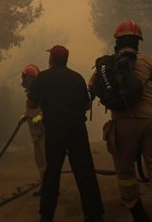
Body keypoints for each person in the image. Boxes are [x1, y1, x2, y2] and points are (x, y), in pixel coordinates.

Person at [90, 20, 152, 222]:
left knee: (125, 172)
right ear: (138, 42)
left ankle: (137, 213)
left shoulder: (106, 66)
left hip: (123, 124)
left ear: (117, 41)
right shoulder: (149, 62)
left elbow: (94, 90)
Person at [27, 45, 104, 222]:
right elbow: (86, 105)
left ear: (52, 59)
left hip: (55, 131)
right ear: (66, 60)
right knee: (85, 171)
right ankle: (95, 215)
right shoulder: (77, 77)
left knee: (52, 173)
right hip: (77, 129)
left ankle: (46, 217)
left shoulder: (43, 78)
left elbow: (31, 104)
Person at [20, 64, 46, 196]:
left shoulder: (41, 91)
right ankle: (44, 186)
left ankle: (50, 188)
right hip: (36, 134)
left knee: (46, 160)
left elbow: (48, 107)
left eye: (24, 77)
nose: (22, 80)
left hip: (44, 132)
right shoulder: (31, 93)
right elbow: (31, 109)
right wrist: (25, 116)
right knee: (39, 160)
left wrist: (40, 117)